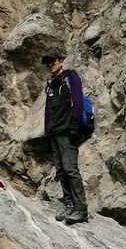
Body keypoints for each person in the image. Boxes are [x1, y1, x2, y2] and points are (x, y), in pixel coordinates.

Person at [42, 51, 89, 225]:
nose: (50, 64)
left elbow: (77, 102)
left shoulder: (71, 77)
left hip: (67, 131)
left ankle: (81, 209)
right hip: (55, 133)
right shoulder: (50, 84)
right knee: (61, 170)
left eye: (53, 61)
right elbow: (48, 111)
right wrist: (47, 133)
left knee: (70, 169)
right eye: (47, 62)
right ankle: (69, 204)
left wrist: (75, 126)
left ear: (61, 61)